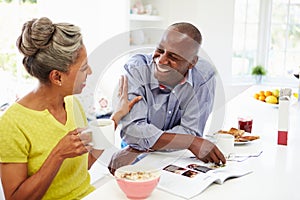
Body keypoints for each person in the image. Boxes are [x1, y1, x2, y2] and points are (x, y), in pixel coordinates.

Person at [0, 17, 141, 200]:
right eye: (83, 68)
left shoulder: (72, 103)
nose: (89, 72)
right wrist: (58, 155)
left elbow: (84, 166)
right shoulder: (12, 124)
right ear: (57, 77)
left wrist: (118, 115)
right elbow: (15, 198)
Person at [108, 22, 226, 174]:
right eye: (159, 50)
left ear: (191, 63)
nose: (161, 60)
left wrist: (138, 146)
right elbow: (133, 132)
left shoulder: (204, 77)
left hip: (170, 156)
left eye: (173, 56)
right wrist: (190, 142)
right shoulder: (136, 69)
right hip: (138, 159)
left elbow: (190, 130)